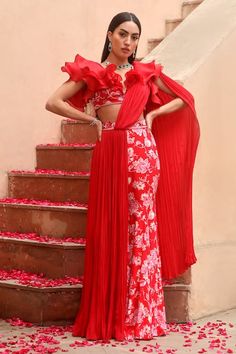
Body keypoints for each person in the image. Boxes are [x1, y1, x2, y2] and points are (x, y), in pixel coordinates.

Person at [45, 12, 200, 341]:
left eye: (134, 36)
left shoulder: (143, 73)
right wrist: (90, 121)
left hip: (143, 153)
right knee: (113, 227)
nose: (129, 42)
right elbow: (53, 102)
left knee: (141, 229)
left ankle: (142, 314)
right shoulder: (94, 72)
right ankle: (115, 308)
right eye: (123, 34)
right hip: (111, 151)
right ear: (110, 35)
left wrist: (154, 113)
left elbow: (185, 99)